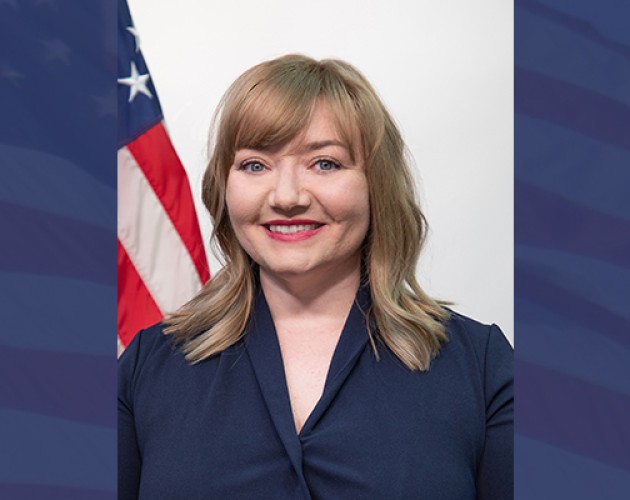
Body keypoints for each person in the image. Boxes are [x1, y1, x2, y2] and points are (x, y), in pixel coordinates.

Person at [118, 54, 513, 499]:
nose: (287, 196)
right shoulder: (145, 367)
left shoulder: (481, 369)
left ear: (375, 186)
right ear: (223, 187)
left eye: (324, 163)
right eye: (254, 165)